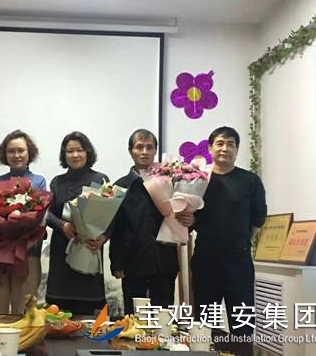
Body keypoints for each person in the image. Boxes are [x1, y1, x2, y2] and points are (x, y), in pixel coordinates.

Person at [180, 126, 266, 339]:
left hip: (239, 263)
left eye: (230, 144)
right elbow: (190, 218)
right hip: (206, 261)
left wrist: (239, 240)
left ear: (237, 149)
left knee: (242, 325)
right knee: (204, 324)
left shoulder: (250, 180)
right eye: (220, 143)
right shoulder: (198, 180)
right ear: (210, 148)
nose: (225, 148)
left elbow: (258, 219)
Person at [109, 129, 179, 314]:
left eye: (149, 147)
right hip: (133, 262)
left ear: (155, 150)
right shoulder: (120, 186)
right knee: (134, 318)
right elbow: (116, 228)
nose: (144, 152)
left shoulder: (169, 180)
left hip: (164, 260)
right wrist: (116, 263)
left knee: (163, 317)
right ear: (130, 151)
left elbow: (180, 214)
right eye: (139, 147)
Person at [46, 131, 109, 315]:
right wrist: (63, 226)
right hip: (62, 251)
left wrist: (104, 237)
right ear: (64, 155)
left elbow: (112, 216)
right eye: (70, 151)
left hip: (88, 248)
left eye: (79, 150)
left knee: (87, 315)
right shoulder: (57, 182)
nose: (75, 155)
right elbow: (48, 214)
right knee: (58, 314)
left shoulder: (100, 179)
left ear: (87, 152)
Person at [0, 129, 47, 314]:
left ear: (29, 152)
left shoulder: (39, 181)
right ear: (5, 154)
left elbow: (39, 216)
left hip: (28, 253)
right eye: (11, 151)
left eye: (21, 150)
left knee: (25, 311)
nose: (16, 155)